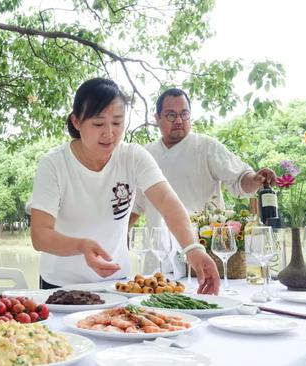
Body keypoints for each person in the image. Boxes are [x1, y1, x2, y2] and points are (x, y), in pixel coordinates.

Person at [29, 78, 220, 294]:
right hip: (61, 286)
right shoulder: (54, 164)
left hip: (118, 284)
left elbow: (167, 201)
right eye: (98, 124)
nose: (109, 133)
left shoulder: (133, 156)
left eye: (117, 122)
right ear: (76, 122)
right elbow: (40, 235)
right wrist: (81, 246)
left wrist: (192, 248)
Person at [130, 88, 275, 275]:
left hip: (204, 248)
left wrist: (256, 179)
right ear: (157, 118)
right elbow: (135, 207)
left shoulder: (206, 147)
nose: (179, 121)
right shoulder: (145, 154)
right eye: (171, 115)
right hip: (158, 255)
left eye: (184, 114)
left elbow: (239, 179)